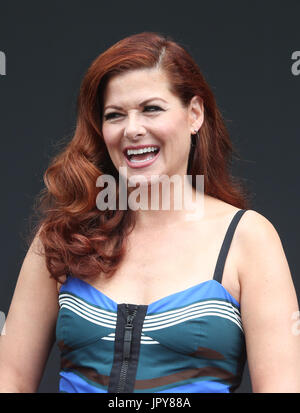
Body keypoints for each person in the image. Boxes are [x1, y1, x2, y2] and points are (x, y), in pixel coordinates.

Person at [0, 32, 299, 393]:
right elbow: (10, 378)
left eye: (151, 108)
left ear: (194, 114)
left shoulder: (248, 238)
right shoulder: (63, 234)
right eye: (115, 115)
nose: (132, 130)